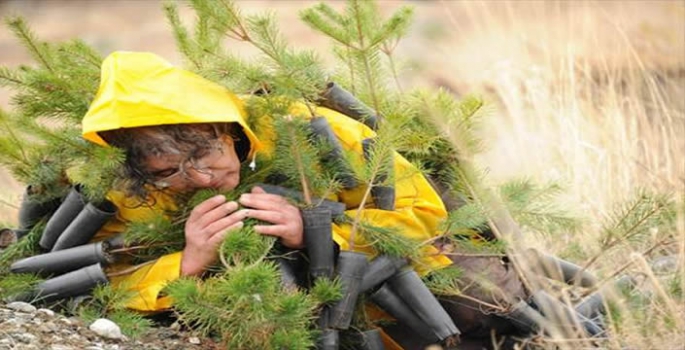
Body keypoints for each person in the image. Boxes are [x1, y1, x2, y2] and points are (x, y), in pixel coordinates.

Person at [81, 51, 454, 345]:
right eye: (166, 172)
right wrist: (186, 264)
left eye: (201, 154)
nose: (200, 178)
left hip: (392, 307)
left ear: (224, 128)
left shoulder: (307, 130)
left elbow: (425, 215)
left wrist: (318, 232)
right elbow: (101, 280)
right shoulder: (126, 189)